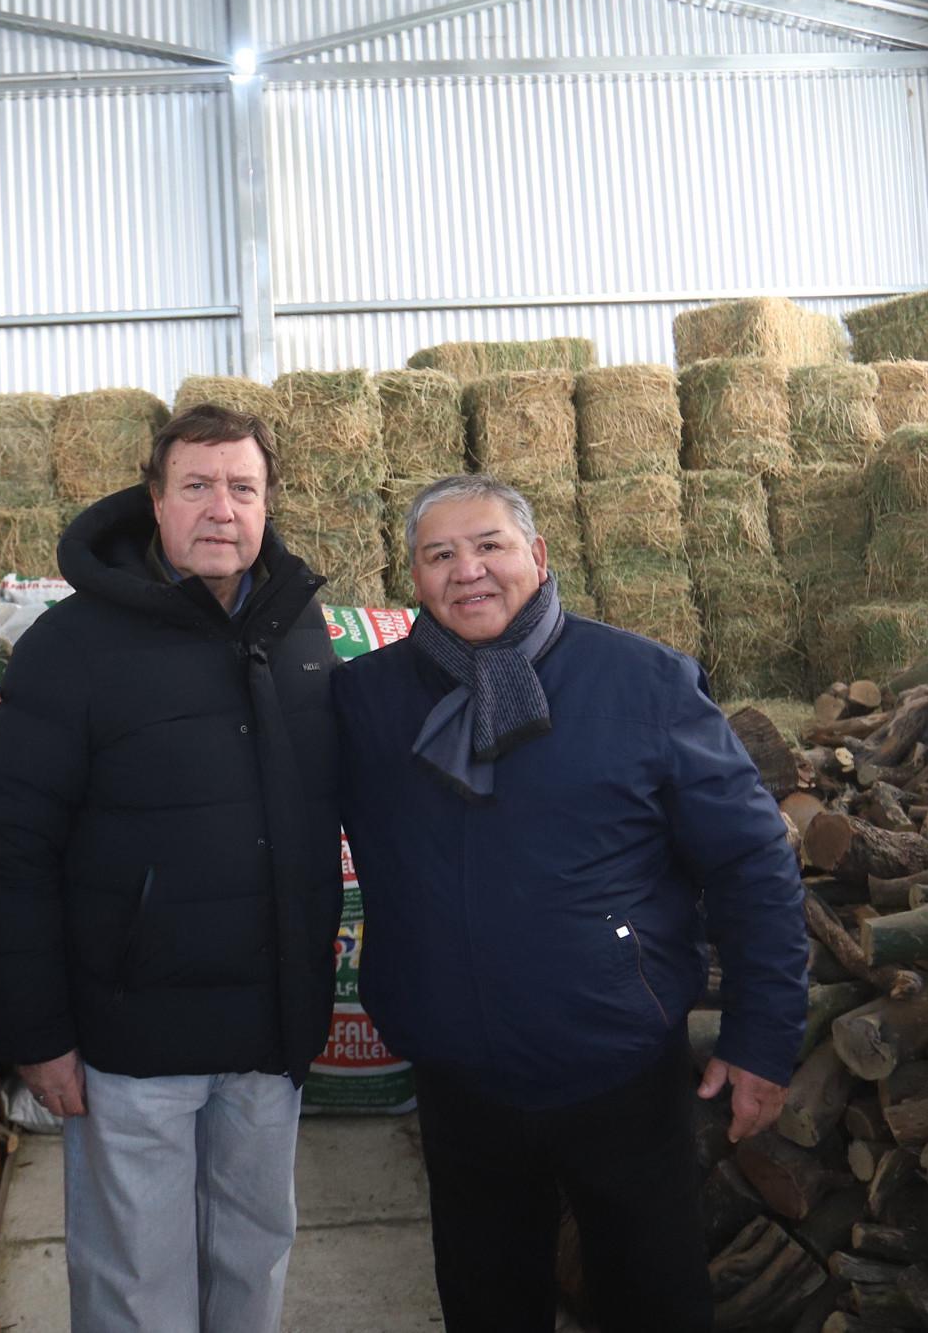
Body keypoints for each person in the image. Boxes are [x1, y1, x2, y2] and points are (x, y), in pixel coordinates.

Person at [332, 473, 809, 1333]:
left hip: (618, 1065)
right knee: (486, 1301)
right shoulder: (367, 699)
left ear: (539, 555)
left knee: (653, 1298)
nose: (468, 570)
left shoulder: (645, 682)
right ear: (415, 577)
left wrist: (763, 1036)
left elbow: (751, 861)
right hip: (457, 1075)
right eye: (440, 554)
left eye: (490, 546)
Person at [0, 403, 344, 1332]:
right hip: (133, 1037)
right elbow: (10, 851)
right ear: (155, 499)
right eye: (198, 485)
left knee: (254, 1252)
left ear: (268, 503)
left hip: (268, 1031)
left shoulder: (297, 628)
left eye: (243, 487)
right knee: (138, 1278)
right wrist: (38, 1033)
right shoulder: (73, 646)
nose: (222, 507)